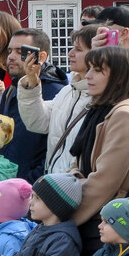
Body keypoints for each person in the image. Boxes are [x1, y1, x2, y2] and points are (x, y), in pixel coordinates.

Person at [68, 46, 129, 255]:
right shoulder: (99, 109)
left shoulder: (125, 116)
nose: (89, 75)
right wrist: (74, 179)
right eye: (89, 68)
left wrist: (63, 216)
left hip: (108, 223)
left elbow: (105, 181)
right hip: (94, 219)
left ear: (119, 78)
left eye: (98, 70)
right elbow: (77, 161)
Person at [17, 25, 98, 176]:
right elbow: (37, 122)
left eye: (78, 49)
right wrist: (32, 82)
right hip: (56, 182)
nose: (70, 53)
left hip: (79, 185)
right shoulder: (67, 91)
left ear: (97, 55)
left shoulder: (103, 98)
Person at [0, 27, 67, 182]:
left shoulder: (57, 92)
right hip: (8, 181)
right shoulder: (10, 90)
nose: (11, 56)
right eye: (10, 51)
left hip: (35, 186)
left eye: (20, 52)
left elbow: (56, 144)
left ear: (41, 56)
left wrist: (33, 180)